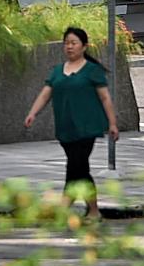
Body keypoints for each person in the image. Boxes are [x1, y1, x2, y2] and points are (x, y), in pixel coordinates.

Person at [22, 27, 119, 218]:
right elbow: (45, 94)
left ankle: (71, 207)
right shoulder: (57, 71)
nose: (69, 47)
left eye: (74, 43)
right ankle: (89, 209)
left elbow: (105, 98)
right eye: (66, 43)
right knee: (78, 168)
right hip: (65, 127)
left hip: (87, 127)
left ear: (84, 46)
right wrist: (33, 113)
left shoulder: (92, 71)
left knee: (76, 165)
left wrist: (112, 123)